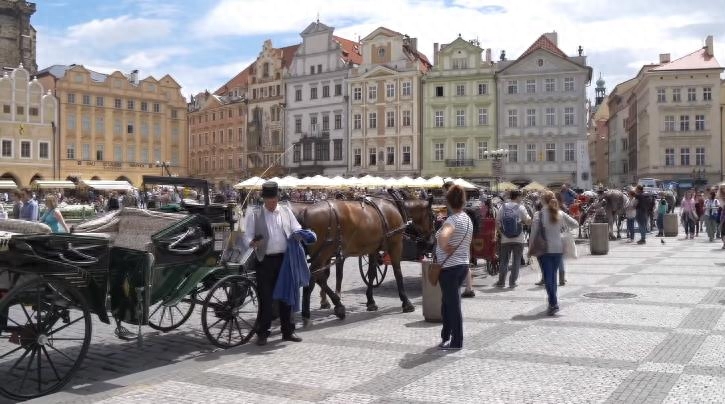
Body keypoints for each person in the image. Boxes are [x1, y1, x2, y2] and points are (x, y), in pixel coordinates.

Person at [243, 181, 303, 346]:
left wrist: (299, 233)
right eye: (268, 200)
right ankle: (263, 333)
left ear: (277, 198)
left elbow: (296, 227)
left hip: (284, 260)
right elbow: (247, 235)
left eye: (274, 200)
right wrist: (252, 242)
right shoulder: (255, 213)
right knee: (266, 299)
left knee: (286, 296)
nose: (271, 203)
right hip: (265, 261)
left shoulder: (285, 210)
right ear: (263, 199)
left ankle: (288, 331)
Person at [435, 185, 472, 350]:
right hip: (462, 264)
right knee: (447, 303)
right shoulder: (466, 218)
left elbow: (444, 236)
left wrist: (443, 244)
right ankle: (446, 335)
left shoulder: (452, 220)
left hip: (450, 267)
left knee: (453, 304)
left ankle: (456, 341)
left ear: (449, 202)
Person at [528, 190, 578, 315]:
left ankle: (553, 303)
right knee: (553, 276)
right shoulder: (560, 213)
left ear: (543, 200)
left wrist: (530, 249)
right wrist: (563, 230)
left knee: (548, 277)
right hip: (558, 249)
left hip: (544, 250)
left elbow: (533, 235)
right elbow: (575, 224)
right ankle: (553, 303)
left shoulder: (538, 215)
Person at [495, 189, 531, 288]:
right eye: (521, 196)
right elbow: (528, 221)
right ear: (518, 197)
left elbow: (497, 221)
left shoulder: (503, 207)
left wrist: (501, 233)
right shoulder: (521, 207)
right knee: (516, 261)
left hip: (505, 239)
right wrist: (527, 221)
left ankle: (501, 282)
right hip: (518, 239)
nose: (522, 198)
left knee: (504, 261)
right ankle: (512, 282)